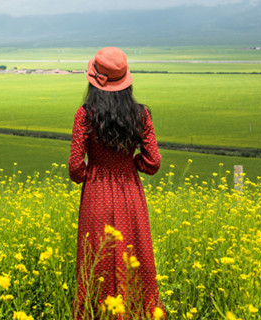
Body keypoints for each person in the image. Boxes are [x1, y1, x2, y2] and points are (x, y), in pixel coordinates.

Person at [68, 47, 166, 319]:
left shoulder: (84, 115)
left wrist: (91, 174)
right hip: (130, 195)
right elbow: (153, 162)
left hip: (95, 194)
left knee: (96, 259)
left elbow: (76, 166)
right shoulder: (141, 115)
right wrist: (130, 165)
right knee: (135, 257)